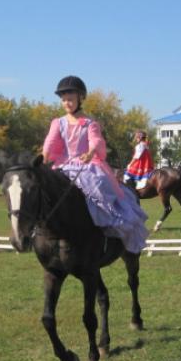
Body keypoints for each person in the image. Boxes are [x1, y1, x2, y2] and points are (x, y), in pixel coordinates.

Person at [42, 75, 149, 254]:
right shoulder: (57, 123)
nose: (67, 103)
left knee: (98, 186)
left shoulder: (90, 123)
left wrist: (91, 152)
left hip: (86, 164)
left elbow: (96, 141)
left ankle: (105, 226)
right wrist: (44, 157)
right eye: (64, 100)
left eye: (70, 99)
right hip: (63, 165)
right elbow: (50, 142)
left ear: (80, 98)